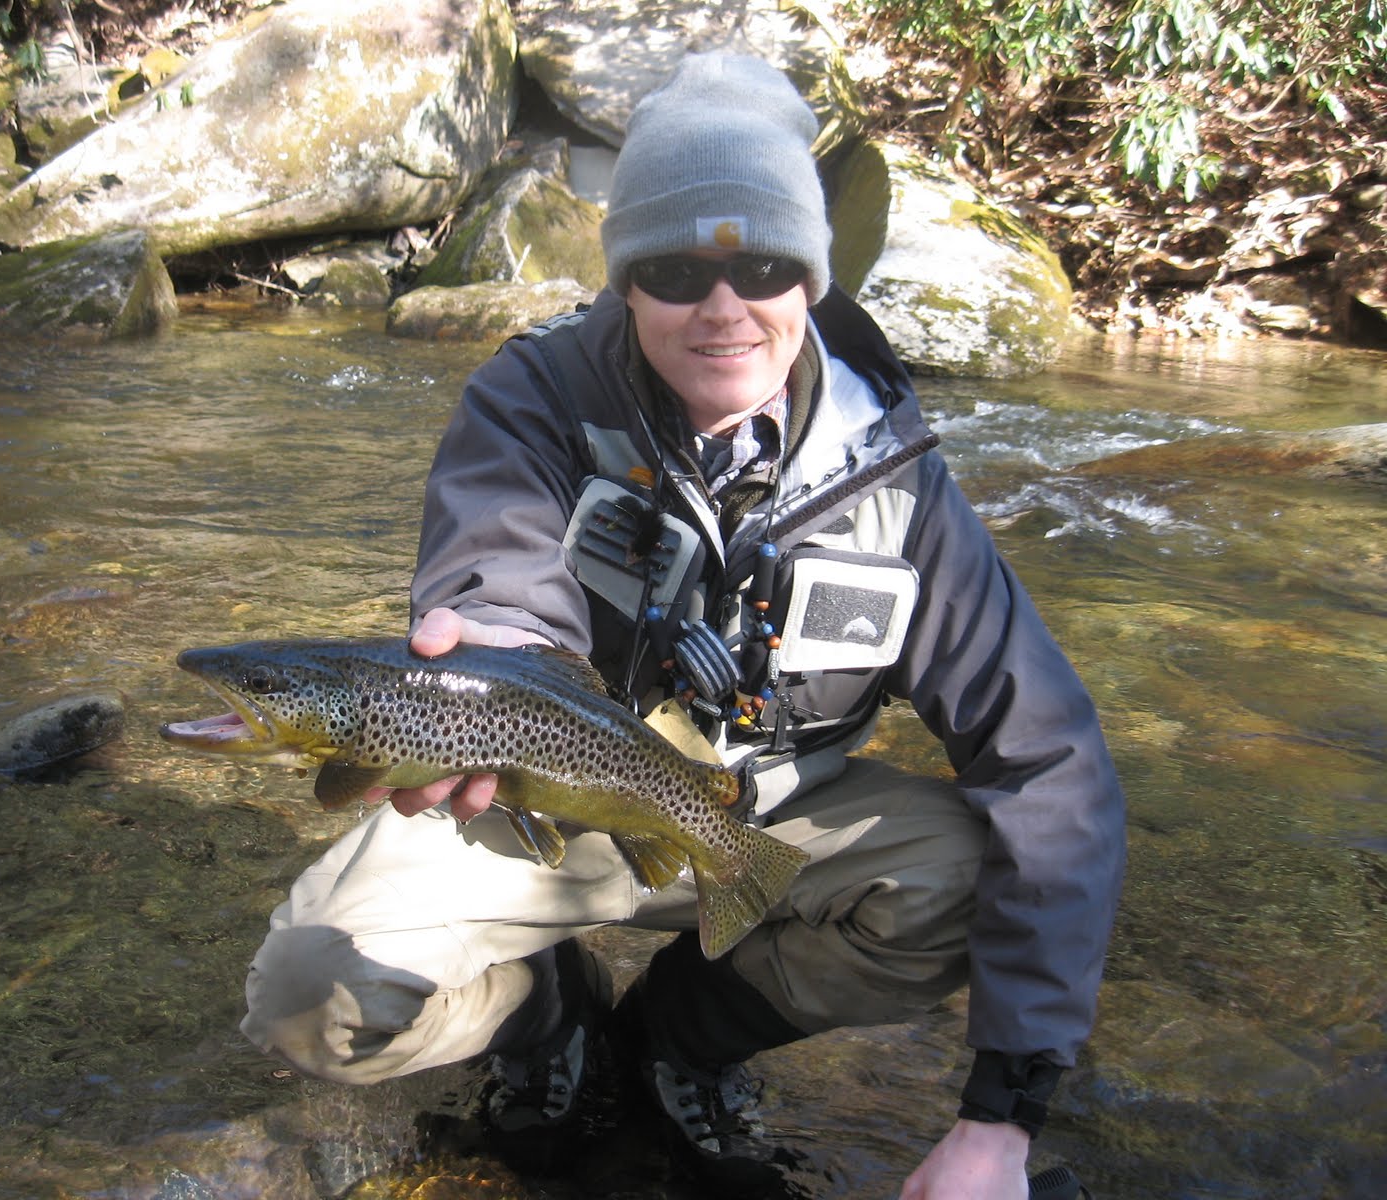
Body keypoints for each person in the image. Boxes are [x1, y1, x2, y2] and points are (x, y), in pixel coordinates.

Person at [241, 52, 1125, 1199]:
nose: (722, 309)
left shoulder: (898, 476)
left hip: (766, 811)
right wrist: (489, 685)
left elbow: (1048, 759)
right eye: (671, 270)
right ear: (622, 282)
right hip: (539, 785)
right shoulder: (535, 401)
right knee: (312, 996)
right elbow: (494, 582)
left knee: (981, 873)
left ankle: (682, 1039)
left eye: (761, 264)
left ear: (811, 277)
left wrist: (999, 1121)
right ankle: (543, 1018)